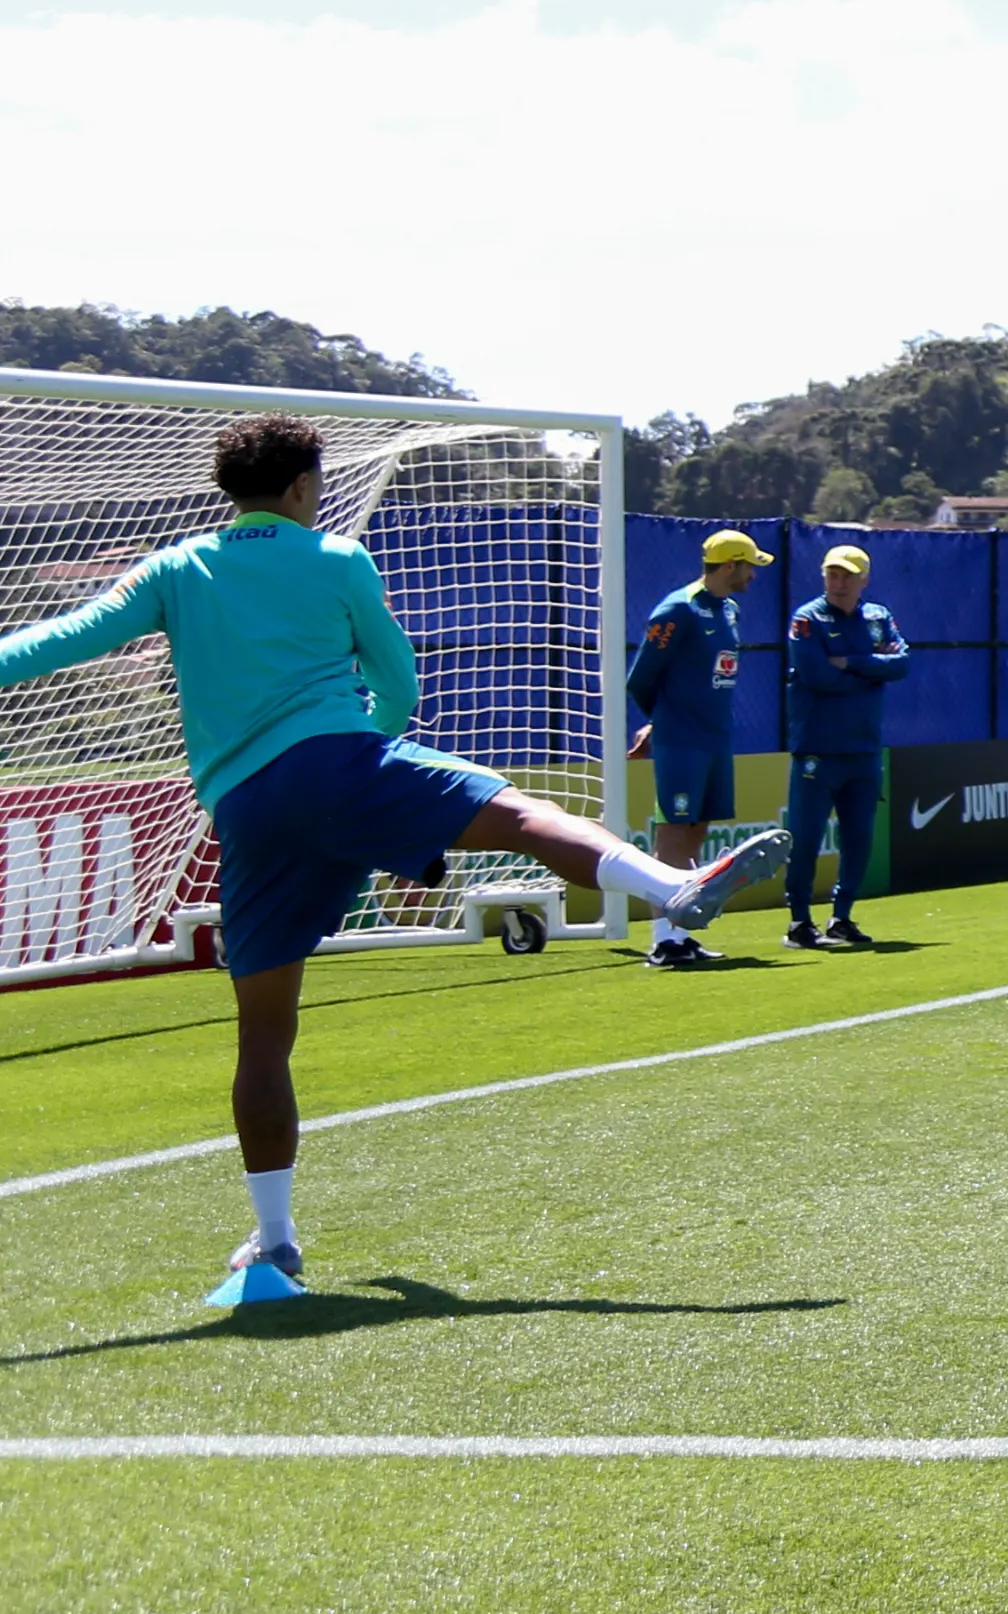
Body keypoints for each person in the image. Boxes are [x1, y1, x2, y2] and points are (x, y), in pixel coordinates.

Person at [0, 416, 784, 1292]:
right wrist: (363, 775)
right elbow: (400, 683)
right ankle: (670, 887)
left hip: (249, 811)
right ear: (304, 485)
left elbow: (61, 640)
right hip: (347, 762)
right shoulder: (337, 559)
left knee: (264, 1035)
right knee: (521, 813)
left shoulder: (178, 568)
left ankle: (274, 1240)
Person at [623, 526, 767, 967]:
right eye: (749, 567)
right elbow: (641, 678)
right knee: (672, 832)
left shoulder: (730, 610)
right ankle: (662, 939)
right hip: (681, 740)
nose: (753, 576)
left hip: (714, 739)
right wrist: (661, 723)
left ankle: (683, 932)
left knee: (698, 830)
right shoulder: (676, 611)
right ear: (730, 566)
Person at [777, 544, 907, 949]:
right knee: (806, 835)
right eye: (832, 574)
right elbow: (817, 675)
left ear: (864, 579)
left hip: (864, 749)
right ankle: (800, 920)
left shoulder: (878, 616)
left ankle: (842, 916)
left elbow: (901, 663)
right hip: (818, 748)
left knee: (859, 836)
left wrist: (851, 662)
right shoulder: (808, 618)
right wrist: (872, 669)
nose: (838, 582)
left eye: (847, 575)